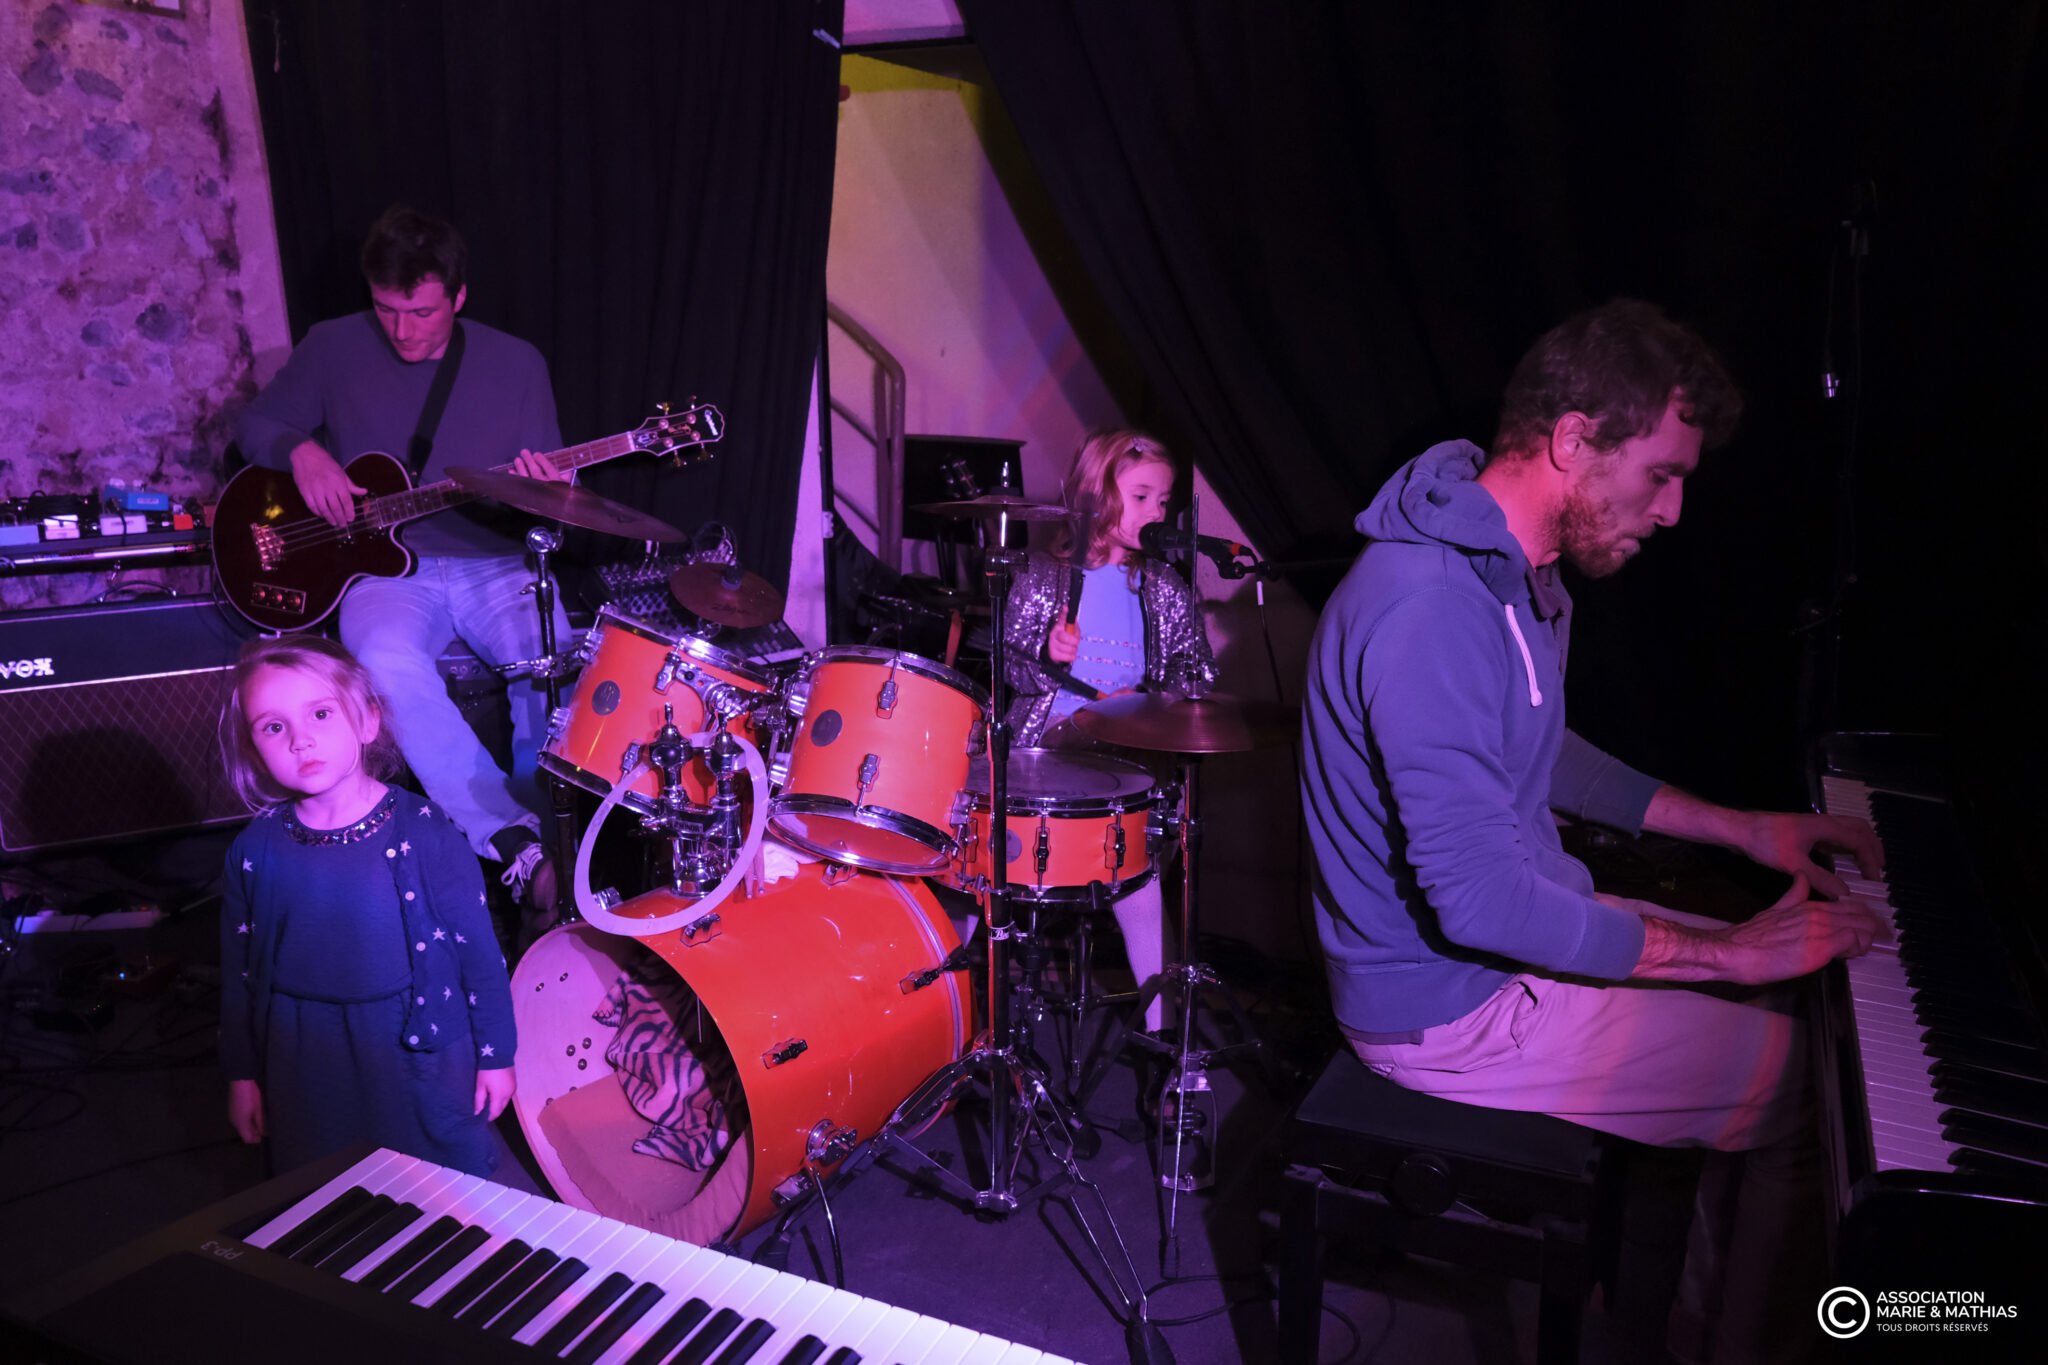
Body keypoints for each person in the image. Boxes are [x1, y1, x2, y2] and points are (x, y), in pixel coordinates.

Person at [1299, 299, 1886, 1363]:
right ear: (1573, 440)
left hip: (1509, 943)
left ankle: (1672, 1316)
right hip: (1448, 1009)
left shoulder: (1508, 570)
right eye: (1660, 474)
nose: (1672, 511)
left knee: (1794, 997)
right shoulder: (1429, 606)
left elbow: (1544, 749)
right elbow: (1481, 905)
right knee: (1822, 1097)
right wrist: (1722, 950)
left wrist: (1741, 830)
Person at [235, 205, 568, 931]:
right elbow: (254, 423)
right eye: (386, 310)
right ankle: (513, 842)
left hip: (493, 560)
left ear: (459, 296)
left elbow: (549, 496)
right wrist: (301, 451)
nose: (403, 331)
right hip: (383, 573)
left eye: (421, 312)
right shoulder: (332, 346)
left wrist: (542, 487)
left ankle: (562, 845)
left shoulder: (517, 364)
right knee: (382, 662)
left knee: (548, 656)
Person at [218, 634, 517, 1178]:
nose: (301, 740)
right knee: (326, 1189)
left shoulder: (425, 831)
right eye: (274, 727)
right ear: (253, 747)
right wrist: (242, 1076)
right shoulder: (254, 851)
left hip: (415, 1053)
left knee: (437, 1189)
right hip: (302, 1054)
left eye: (321, 714)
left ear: (368, 720)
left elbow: (479, 954)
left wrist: (496, 1054)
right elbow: (239, 977)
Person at [1000, 430, 1217, 1041]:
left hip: (1127, 764)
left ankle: (1169, 1043)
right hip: (1046, 753)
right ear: (1096, 494)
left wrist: (1161, 697)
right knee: (987, 875)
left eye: (1164, 501)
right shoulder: (1043, 575)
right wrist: (1047, 656)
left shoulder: (1165, 587)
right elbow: (1009, 666)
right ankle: (964, 1019)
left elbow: (1198, 671)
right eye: (1141, 496)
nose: (1156, 512)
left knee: (1141, 889)